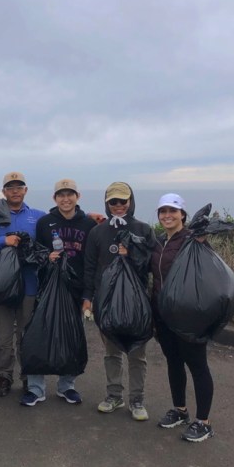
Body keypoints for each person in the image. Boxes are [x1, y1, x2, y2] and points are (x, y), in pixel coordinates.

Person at [82, 182, 155, 421]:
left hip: (136, 304)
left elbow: (151, 265)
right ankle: (114, 395)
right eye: (114, 202)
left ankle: (137, 399)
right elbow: (90, 267)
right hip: (106, 303)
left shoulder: (143, 229)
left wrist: (132, 253)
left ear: (131, 201)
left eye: (123, 201)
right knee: (111, 352)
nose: (119, 206)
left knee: (137, 354)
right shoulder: (97, 232)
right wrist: (87, 299)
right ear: (107, 203)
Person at [25, 179, 97, 406]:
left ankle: (67, 386)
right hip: (47, 288)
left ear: (78, 196)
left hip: (75, 290)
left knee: (72, 338)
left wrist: (88, 295)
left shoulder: (88, 224)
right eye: (61, 195)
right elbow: (37, 252)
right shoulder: (45, 222)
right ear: (54, 198)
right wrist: (47, 257)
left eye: (70, 194)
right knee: (38, 336)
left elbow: (91, 263)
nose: (65, 199)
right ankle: (36, 389)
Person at [0, 172, 45, 400]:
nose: (15, 191)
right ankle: (4, 376)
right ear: (4, 192)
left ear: (26, 190)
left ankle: (28, 379)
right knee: (2, 337)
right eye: (10, 187)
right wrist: (3, 241)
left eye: (19, 187)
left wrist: (92, 218)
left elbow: (57, 228)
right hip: (1, 287)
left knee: (27, 336)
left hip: (29, 285)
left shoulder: (38, 217)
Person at [151, 193, 215, 442]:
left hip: (189, 316)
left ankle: (204, 422)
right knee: (174, 363)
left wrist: (202, 241)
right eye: (163, 211)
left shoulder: (192, 240)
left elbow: (208, 271)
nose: (167, 215)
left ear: (182, 215)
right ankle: (180, 410)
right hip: (163, 315)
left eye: (173, 211)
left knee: (197, 365)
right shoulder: (157, 242)